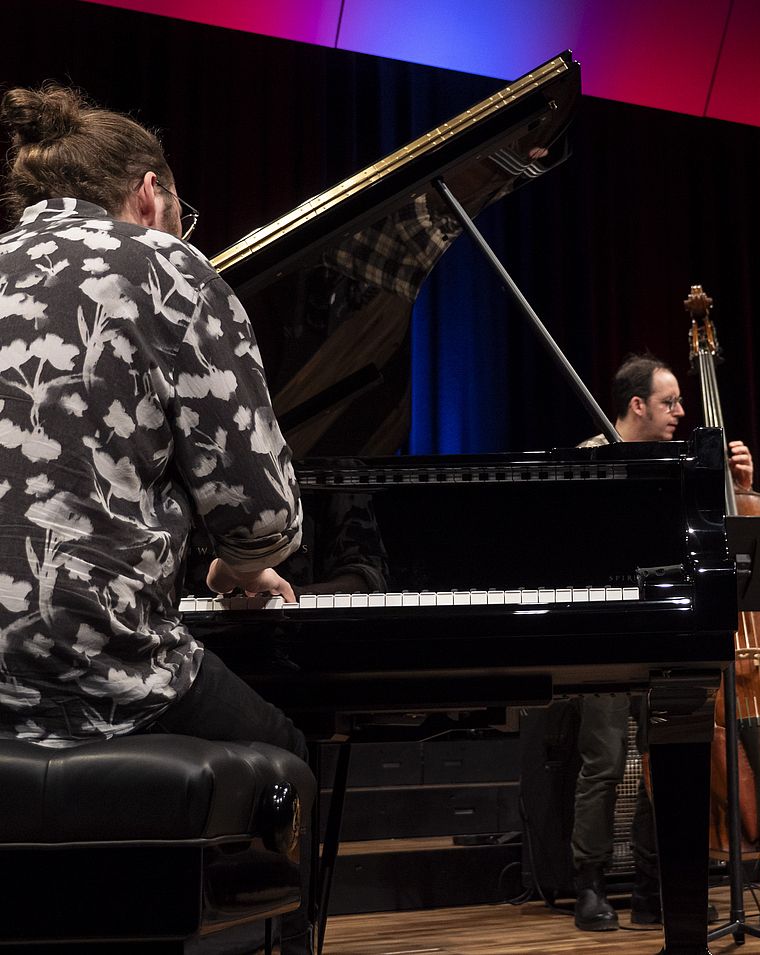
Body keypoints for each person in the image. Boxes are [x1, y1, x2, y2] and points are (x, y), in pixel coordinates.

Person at [0, 84, 312, 952]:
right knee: (289, 746)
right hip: (91, 673)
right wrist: (243, 560)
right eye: (182, 212)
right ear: (149, 193)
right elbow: (261, 517)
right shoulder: (164, 265)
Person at [570, 351, 752, 931]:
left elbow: (715, 543)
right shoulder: (589, 462)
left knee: (664, 758)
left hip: (666, 628)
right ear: (637, 405)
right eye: (670, 401)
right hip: (604, 629)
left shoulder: (683, 462)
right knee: (603, 761)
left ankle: (654, 887)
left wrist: (736, 487)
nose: (681, 412)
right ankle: (589, 885)